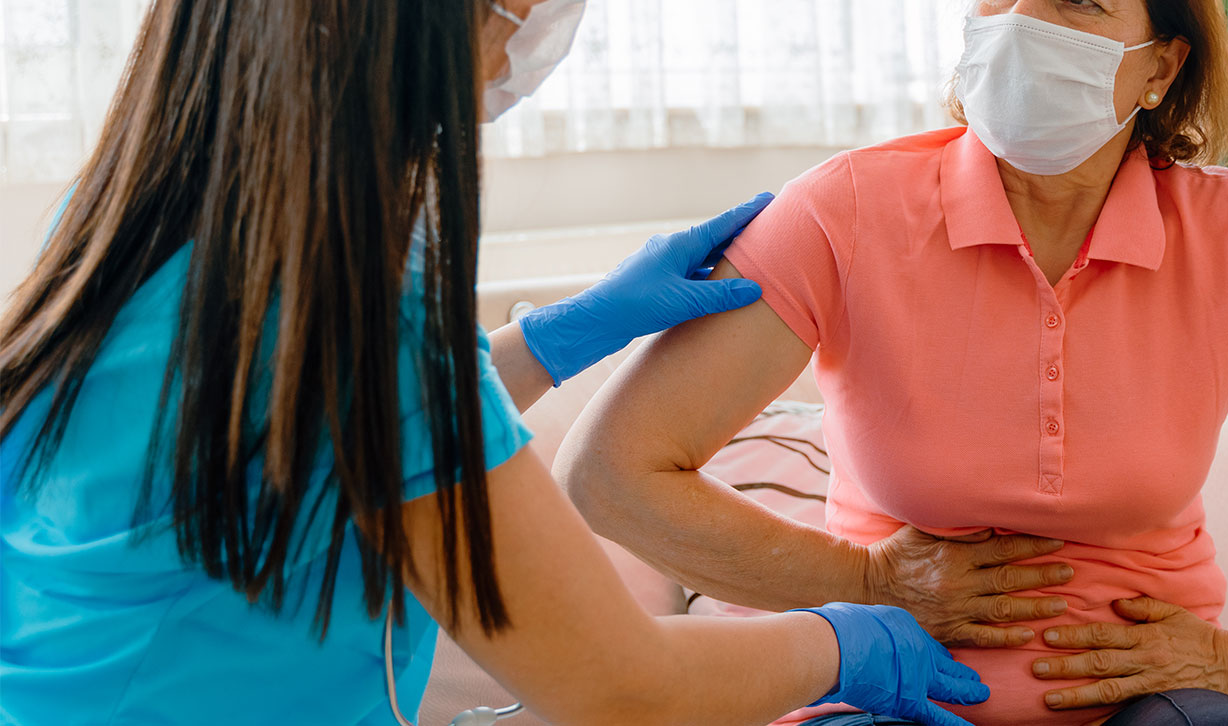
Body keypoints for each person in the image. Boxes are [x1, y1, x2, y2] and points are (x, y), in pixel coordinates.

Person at [0, 2, 993, 725]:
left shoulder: (132, 226)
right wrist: (847, 642)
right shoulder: (357, 311)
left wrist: (558, 338)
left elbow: (333, 439)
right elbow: (622, 685)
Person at [554, 0, 1228, 725]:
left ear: (1160, 66)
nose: (1020, 23)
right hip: (894, 688)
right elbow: (610, 474)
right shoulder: (844, 213)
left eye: (1069, 0)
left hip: (1152, 705)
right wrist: (870, 580)